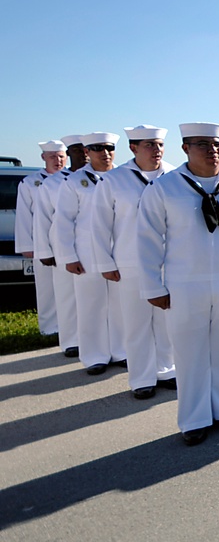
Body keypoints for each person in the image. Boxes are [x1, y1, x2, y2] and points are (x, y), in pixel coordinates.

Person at [137, 122, 219, 445]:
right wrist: (153, 285)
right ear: (185, 148)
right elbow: (147, 240)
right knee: (189, 351)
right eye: (203, 144)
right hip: (185, 284)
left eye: (218, 145)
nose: (213, 151)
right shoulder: (165, 188)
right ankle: (194, 418)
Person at [91, 125, 176, 399]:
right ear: (133, 148)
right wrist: (105, 262)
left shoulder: (175, 176)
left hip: (169, 261)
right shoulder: (114, 180)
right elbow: (100, 225)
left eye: (160, 144)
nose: (157, 150)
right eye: (150, 144)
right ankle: (141, 378)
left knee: (167, 322)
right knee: (137, 322)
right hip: (130, 262)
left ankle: (167, 368)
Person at [53, 132, 125, 375]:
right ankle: (94, 355)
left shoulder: (124, 177)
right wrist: (68, 256)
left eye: (109, 148)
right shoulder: (74, 181)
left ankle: (121, 350)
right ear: (87, 151)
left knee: (120, 304)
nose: (104, 153)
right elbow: (63, 221)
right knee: (91, 305)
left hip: (119, 250)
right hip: (87, 253)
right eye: (97, 148)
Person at [33, 135, 84, 357]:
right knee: (66, 296)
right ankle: (71, 340)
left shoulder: (103, 179)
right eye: (76, 150)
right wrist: (44, 251)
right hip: (62, 247)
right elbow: (42, 219)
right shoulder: (52, 183)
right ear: (70, 153)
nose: (83, 155)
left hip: (93, 248)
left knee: (98, 299)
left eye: (86, 150)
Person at [15, 140, 67, 338]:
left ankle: (70, 326)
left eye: (61, 156)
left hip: (67, 242)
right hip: (42, 241)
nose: (58, 160)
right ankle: (50, 327)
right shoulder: (30, 182)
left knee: (69, 289)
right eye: (53, 156)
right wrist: (27, 245)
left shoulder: (71, 179)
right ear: (43, 157)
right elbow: (24, 216)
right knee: (46, 288)